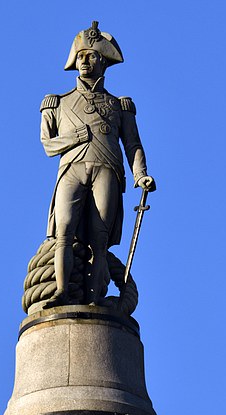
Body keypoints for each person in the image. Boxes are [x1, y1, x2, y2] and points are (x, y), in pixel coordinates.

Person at [40, 21, 156, 308]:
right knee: (64, 230)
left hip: (107, 168)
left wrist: (140, 175)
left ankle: (94, 299)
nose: (84, 61)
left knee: (99, 238)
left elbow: (133, 144)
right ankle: (63, 291)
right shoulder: (56, 103)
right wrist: (74, 138)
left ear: (103, 61)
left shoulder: (120, 105)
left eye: (90, 56)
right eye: (81, 56)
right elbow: (47, 145)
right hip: (72, 168)